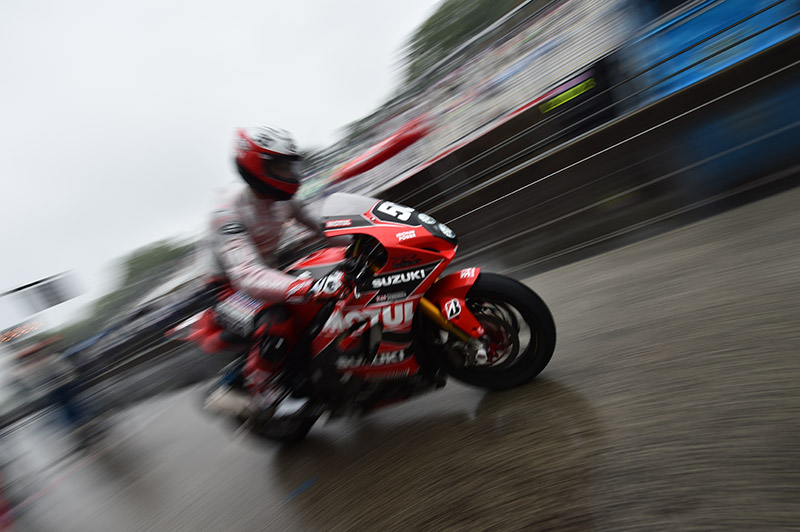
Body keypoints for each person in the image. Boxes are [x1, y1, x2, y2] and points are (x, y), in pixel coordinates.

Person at [202, 126, 347, 419]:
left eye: (290, 165)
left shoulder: (285, 200)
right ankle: (264, 393)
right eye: (280, 167)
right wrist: (309, 288)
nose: (289, 173)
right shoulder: (228, 213)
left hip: (267, 271)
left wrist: (369, 238)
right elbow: (246, 274)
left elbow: (323, 227)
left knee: (328, 287)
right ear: (256, 167)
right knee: (276, 320)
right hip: (228, 288)